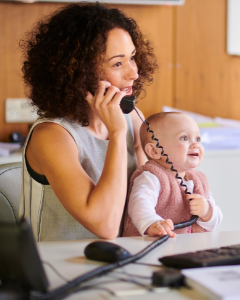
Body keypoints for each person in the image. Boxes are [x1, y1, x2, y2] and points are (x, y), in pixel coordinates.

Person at [19, 3, 158, 241]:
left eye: (132, 58)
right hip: (57, 271)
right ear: (78, 72)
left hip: (123, 261)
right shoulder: (52, 135)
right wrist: (116, 133)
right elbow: (105, 226)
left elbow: (149, 198)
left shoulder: (132, 117)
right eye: (117, 63)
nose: (133, 73)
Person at [122, 112, 223, 237]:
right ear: (154, 150)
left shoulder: (199, 180)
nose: (195, 144)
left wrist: (207, 212)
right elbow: (139, 204)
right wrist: (152, 223)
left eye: (197, 139)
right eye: (184, 138)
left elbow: (216, 222)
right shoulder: (151, 176)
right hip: (153, 247)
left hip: (191, 250)